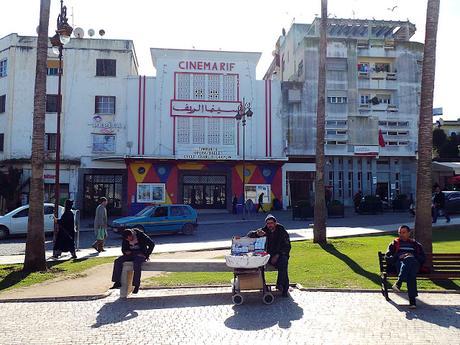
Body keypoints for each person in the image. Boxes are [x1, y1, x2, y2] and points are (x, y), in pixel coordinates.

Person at [247, 214, 291, 297]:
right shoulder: (264, 231)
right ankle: (263, 286)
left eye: (271, 223)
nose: (269, 225)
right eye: (268, 223)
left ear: (275, 223)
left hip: (279, 254)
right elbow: (249, 235)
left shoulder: (281, 231)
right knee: (260, 265)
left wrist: (277, 255)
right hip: (267, 256)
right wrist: (256, 234)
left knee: (284, 262)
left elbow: (287, 246)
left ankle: (282, 286)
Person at [384, 225, 426, 308]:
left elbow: (423, 258)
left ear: (409, 233)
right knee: (411, 273)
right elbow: (387, 258)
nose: (401, 234)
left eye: (404, 232)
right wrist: (398, 257)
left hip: (415, 264)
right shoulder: (394, 244)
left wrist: (412, 256)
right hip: (400, 265)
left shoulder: (416, 244)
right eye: (400, 233)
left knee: (410, 260)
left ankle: (399, 282)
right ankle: (412, 302)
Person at [110, 228, 155, 294]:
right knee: (117, 261)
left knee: (136, 264)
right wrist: (125, 252)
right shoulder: (125, 237)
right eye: (126, 239)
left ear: (131, 235)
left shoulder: (140, 235)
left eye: (129, 238)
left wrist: (146, 255)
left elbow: (152, 244)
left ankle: (136, 285)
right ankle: (117, 282)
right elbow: (123, 248)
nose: (128, 240)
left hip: (140, 253)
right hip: (131, 253)